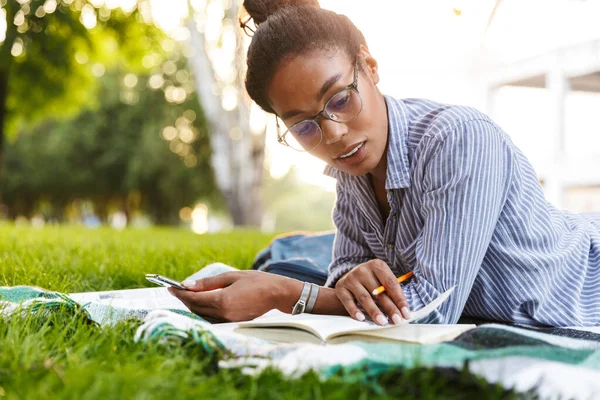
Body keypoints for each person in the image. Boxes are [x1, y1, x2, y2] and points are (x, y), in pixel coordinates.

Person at [170, 0, 600, 327]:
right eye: (304, 127)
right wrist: (348, 281)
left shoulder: (458, 140)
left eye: (340, 99)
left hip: (584, 285)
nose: (334, 133)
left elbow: (432, 312)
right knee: (288, 262)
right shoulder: (352, 169)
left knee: (284, 267)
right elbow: (343, 274)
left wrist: (285, 295)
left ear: (370, 66)